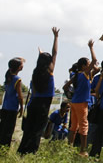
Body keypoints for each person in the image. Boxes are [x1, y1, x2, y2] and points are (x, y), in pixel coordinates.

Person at [18, 26, 60, 155]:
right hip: (43, 104)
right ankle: (32, 150)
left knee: (29, 128)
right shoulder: (50, 71)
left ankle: (22, 150)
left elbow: (34, 90)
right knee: (38, 129)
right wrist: (56, 37)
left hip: (33, 102)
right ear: (49, 62)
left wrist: (40, 54)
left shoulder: (35, 72)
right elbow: (55, 54)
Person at [62, 39, 98, 156]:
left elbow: (65, 87)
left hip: (74, 101)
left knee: (74, 125)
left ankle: (69, 146)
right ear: (84, 66)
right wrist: (91, 47)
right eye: (88, 65)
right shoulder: (85, 74)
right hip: (82, 102)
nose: (90, 66)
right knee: (83, 125)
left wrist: (71, 94)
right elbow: (95, 61)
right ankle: (83, 150)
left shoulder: (76, 75)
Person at [0, 58, 25, 156]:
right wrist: (21, 109)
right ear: (19, 67)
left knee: (1, 130)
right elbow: (20, 96)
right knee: (8, 132)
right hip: (12, 108)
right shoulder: (17, 79)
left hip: (5, 107)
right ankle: (3, 152)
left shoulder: (8, 77)